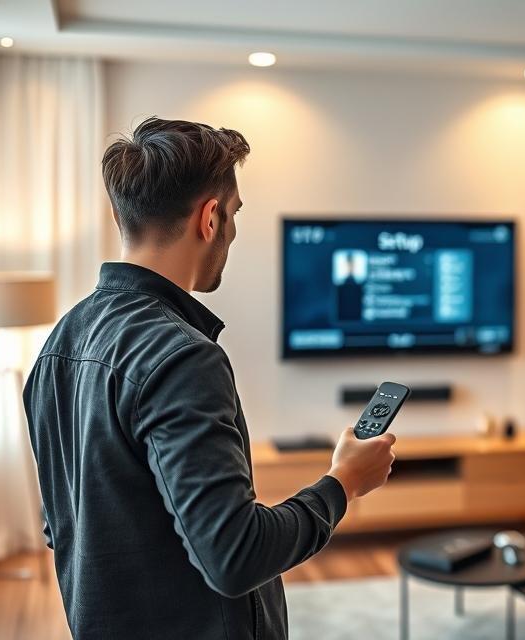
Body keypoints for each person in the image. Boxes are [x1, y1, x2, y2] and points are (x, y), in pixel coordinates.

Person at [23, 116, 396, 640]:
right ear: (211, 217)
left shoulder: (60, 343)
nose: (233, 230)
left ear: (121, 214)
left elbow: (63, 520)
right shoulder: (183, 358)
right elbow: (236, 557)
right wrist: (343, 483)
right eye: (235, 213)